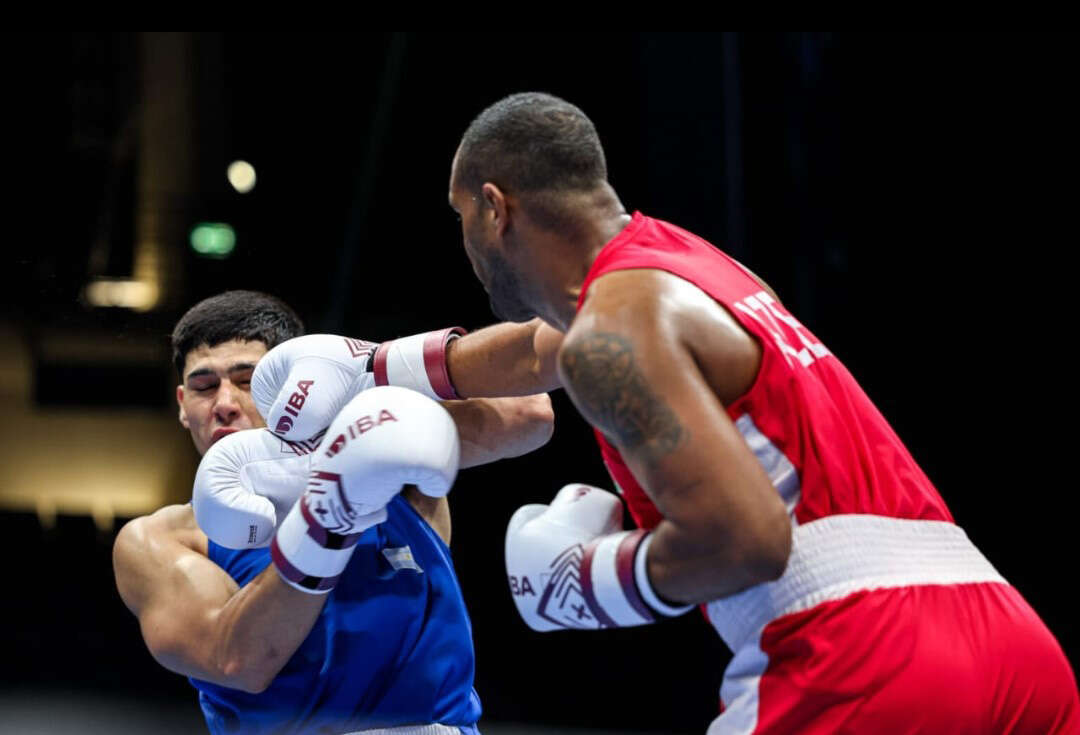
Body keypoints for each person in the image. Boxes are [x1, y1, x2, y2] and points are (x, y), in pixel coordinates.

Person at [429, 92, 1079, 733]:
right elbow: (533, 352)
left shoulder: (608, 334)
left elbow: (749, 541)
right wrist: (384, 365)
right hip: (1013, 647)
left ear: (494, 207)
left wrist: (588, 580)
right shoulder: (694, 273)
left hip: (862, 654)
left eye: (460, 215)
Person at [112, 290, 554, 735]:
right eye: (205, 386)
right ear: (182, 404)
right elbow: (237, 661)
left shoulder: (386, 457)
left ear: (293, 386)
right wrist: (329, 516)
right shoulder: (161, 539)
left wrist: (372, 365)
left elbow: (528, 413)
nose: (224, 403)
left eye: (247, 381)